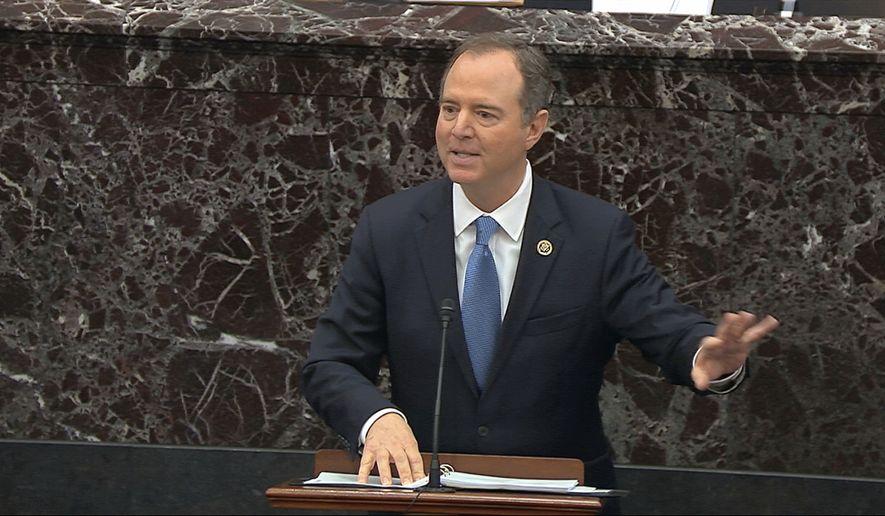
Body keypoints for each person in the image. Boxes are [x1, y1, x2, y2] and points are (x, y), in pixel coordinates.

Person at [301, 32, 779, 506]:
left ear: (534, 127)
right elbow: (331, 361)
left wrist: (707, 358)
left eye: (484, 114)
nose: (458, 128)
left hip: (555, 499)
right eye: (450, 109)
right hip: (426, 498)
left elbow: (667, 327)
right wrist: (375, 419)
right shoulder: (391, 228)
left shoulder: (593, 234)